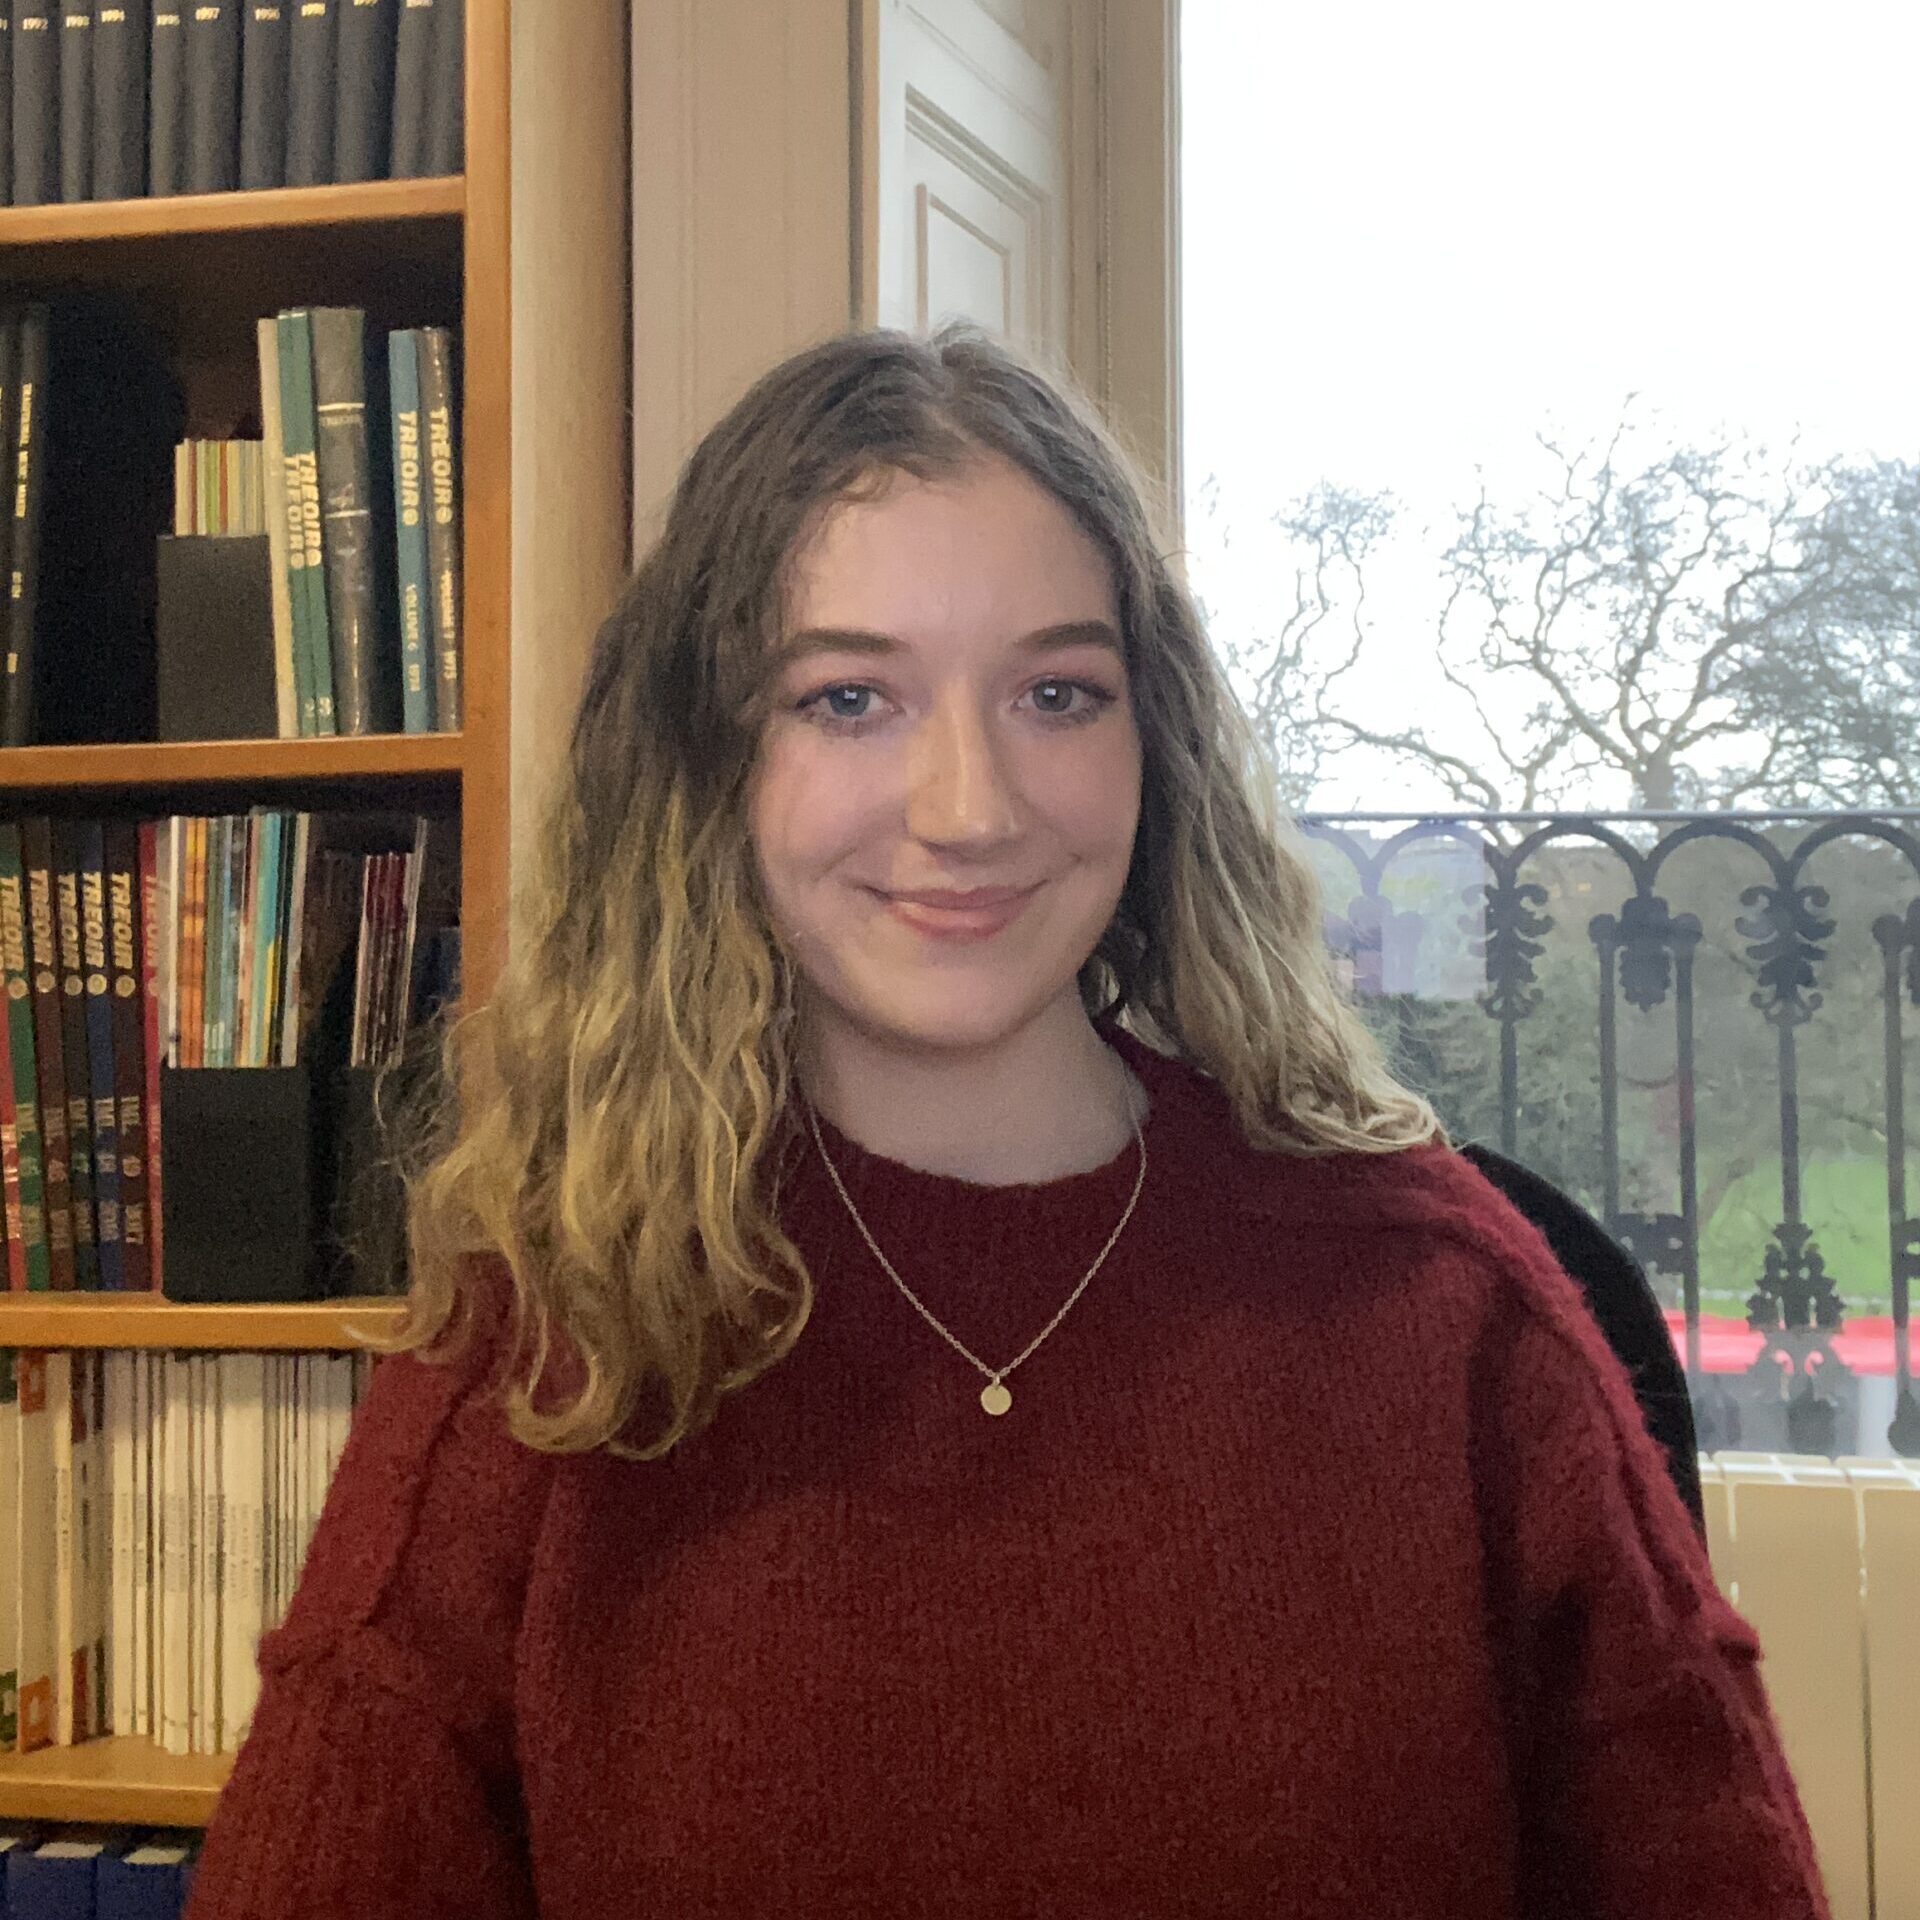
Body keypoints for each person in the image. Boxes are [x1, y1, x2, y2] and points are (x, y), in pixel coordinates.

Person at [184, 326, 1828, 1919]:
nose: (970, 809)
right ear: (704, 761)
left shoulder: (1444, 1305)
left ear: (1153, 743)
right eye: (847, 700)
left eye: (1057, 693)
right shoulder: (546, 1341)